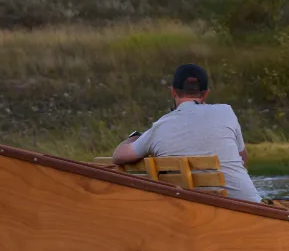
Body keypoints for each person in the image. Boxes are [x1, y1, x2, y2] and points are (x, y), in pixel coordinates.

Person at [112, 64, 261, 204]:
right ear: (206, 93)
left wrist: (135, 137)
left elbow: (118, 156)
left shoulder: (159, 128)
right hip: (248, 208)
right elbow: (243, 158)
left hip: (190, 213)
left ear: (173, 91)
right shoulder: (226, 112)